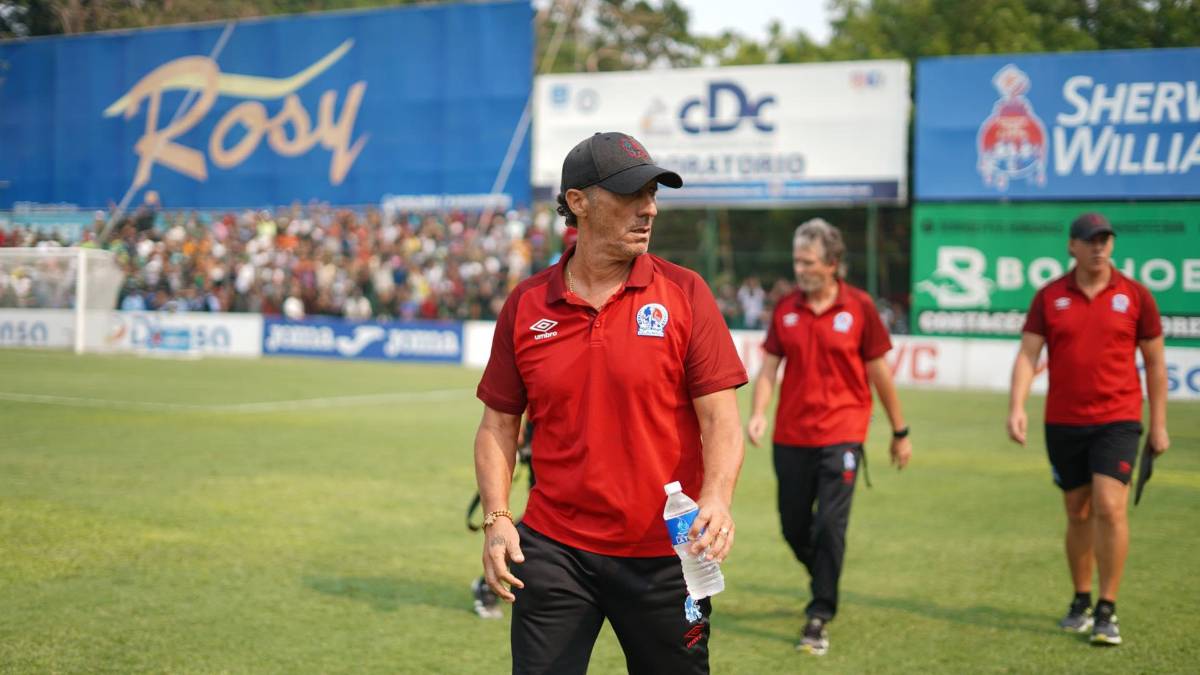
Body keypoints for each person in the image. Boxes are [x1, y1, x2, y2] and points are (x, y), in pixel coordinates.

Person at [474, 132, 747, 674]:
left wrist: (716, 498)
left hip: (665, 556)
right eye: (630, 194)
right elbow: (498, 426)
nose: (649, 209)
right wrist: (498, 517)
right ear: (578, 202)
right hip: (554, 550)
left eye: (653, 193)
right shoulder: (526, 304)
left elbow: (721, 420)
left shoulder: (686, 293)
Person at [745, 218, 912, 657]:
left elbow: (880, 373)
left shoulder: (860, 307)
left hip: (843, 435)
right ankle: (824, 575)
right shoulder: (786, 308)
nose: (800, 269)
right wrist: (759, 413)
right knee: (793, 526)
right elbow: (769, 369)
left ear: (833, 263)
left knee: (830, 526)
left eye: (808, 262)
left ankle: (819, 613)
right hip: (791, 436)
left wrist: (900, 431)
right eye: (797, 261)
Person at [1007, 212, 1169, 646]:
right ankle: (1081, 600)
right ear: (1072, 246)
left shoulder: (1135, 295)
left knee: (1109, 507)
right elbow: (1028, 355)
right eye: (1090, 239)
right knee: (1077, 510)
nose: (1099, 247)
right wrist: (1017, 406)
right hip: (1063, 422)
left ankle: (1107, 609)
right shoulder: (1049, 296)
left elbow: (1155, 364)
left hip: (1118, 419)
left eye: (1105, 239)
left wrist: (1159, 424)